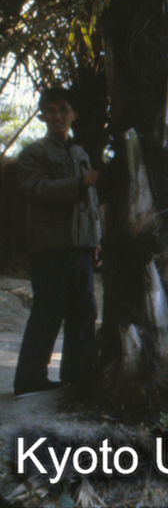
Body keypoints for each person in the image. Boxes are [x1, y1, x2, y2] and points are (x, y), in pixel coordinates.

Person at [12, 86, 102, 396]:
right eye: (50, 110)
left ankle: (76, 377)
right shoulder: (34, 153)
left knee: (83, 312)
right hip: (50, 247)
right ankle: (28, 380)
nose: (57, 116)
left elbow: (91, 203)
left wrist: (95, 240)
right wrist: (78, 183)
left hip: (80, 248)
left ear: (74, 115)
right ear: (41, 116)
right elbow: (36, 188)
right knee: (48, 312)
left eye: (64, 109)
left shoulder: (80, 154)